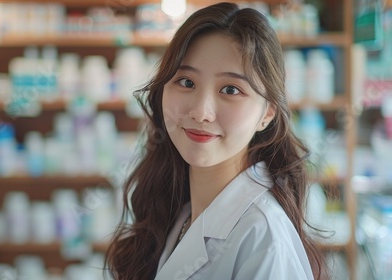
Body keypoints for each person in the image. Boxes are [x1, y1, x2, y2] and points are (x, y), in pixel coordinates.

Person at [106, 2, 328, 280]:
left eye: (231, 89)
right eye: (186, 82)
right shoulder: (179, 209)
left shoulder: (264, 240)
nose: (200, 112)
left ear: (267, 113)